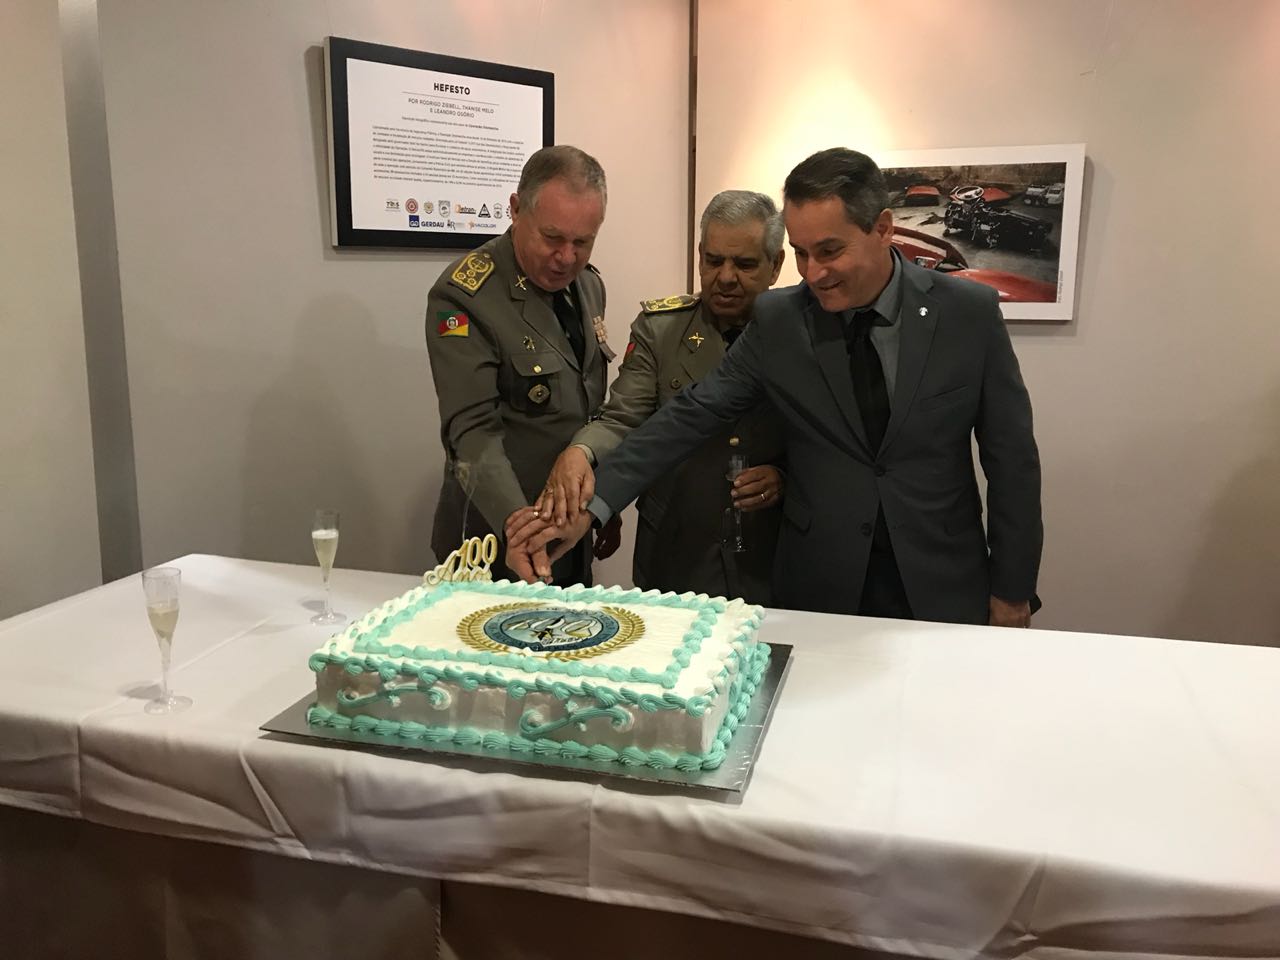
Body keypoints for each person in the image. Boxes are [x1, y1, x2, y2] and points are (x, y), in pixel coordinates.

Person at [509, 147, 1042, 627]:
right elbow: (689, 414)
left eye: (829, 251)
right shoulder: (783, 320)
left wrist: (1013, 590)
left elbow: (1012, 461)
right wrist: (592, 506)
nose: (813, 273)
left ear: (882, 228)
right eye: (802, 252)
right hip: (821, 589)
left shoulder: (967, 313)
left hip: (941, 584)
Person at [538, 190, 787, 603]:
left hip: (770, 554)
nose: (725, 277)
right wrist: (581, 451)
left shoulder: (798, 333)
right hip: (677, 550)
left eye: (744, 264)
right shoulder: (661, 329)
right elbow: (623, 419)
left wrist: (785, 477)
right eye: (713, 261)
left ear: (775, 265)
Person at [425, 144, 617, 586]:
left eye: (582, 242)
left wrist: (602, 503)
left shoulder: (588, 286)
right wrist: (519, 526)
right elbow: (471, 432)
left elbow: (588, 408)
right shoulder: (464, 296)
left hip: (568, 533)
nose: (566, 257)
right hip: (494, 540)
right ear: (515, 210)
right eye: (552, 238)